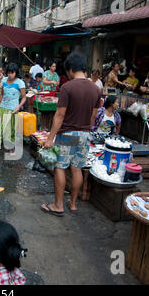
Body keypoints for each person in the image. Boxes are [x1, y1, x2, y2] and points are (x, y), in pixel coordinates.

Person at [41, 52, 101, 216]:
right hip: (85, 134)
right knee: (77, 169)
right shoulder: (96, 89)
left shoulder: (67, 87)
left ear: (70, 69)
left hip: (68, 135)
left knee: (60, 167)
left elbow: (59, 115)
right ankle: (73, 203)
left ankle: (58, 205)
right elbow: (93, 117)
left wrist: (50, 138)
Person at [0, 63, 26, 154]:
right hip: (3, 107)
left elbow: (24, 97)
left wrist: (18, 106)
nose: (10, 75)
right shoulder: (4, 80)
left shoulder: (20, 83)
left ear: (16, 72)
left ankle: (10, 145)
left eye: (12, 73)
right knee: (0, 127)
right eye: (9, 73)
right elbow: (2, 94)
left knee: (10, 128)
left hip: (13, 109)